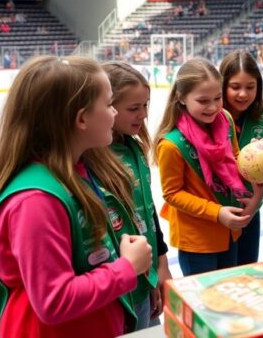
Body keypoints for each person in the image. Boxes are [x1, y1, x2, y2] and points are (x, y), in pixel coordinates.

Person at [0, 56, 151, 336]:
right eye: (108, 105)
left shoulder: (78, 169)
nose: (114, 113)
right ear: (81, 118)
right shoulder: (36, 202)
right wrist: (126, 268)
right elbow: (53, 301)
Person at [155, 58, 263, 275]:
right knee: (204, 303)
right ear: (181, 98)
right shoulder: (171, 145)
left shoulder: (225, 120)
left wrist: (255, 159)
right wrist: (217, 213)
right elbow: (172, 194)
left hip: (229, 231)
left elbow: (234, 158)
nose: (213, 107)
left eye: (218, 98)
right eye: (203, 100)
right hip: (198, 240)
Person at [103, 62, 172, 330]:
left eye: (146, 106)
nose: (143, 115)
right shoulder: (95, 158)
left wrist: (158, 269)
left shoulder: (135, 148)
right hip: (120, 285)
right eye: (134, 108)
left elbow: (148, 211)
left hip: (145, 276)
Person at [219, 51, 263, 265]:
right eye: (235, 87)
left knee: (246, 271)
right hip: (216, 214)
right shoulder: (212, 115)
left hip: (251, 212)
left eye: (250, 87)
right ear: (222, 85)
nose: (243, 94)